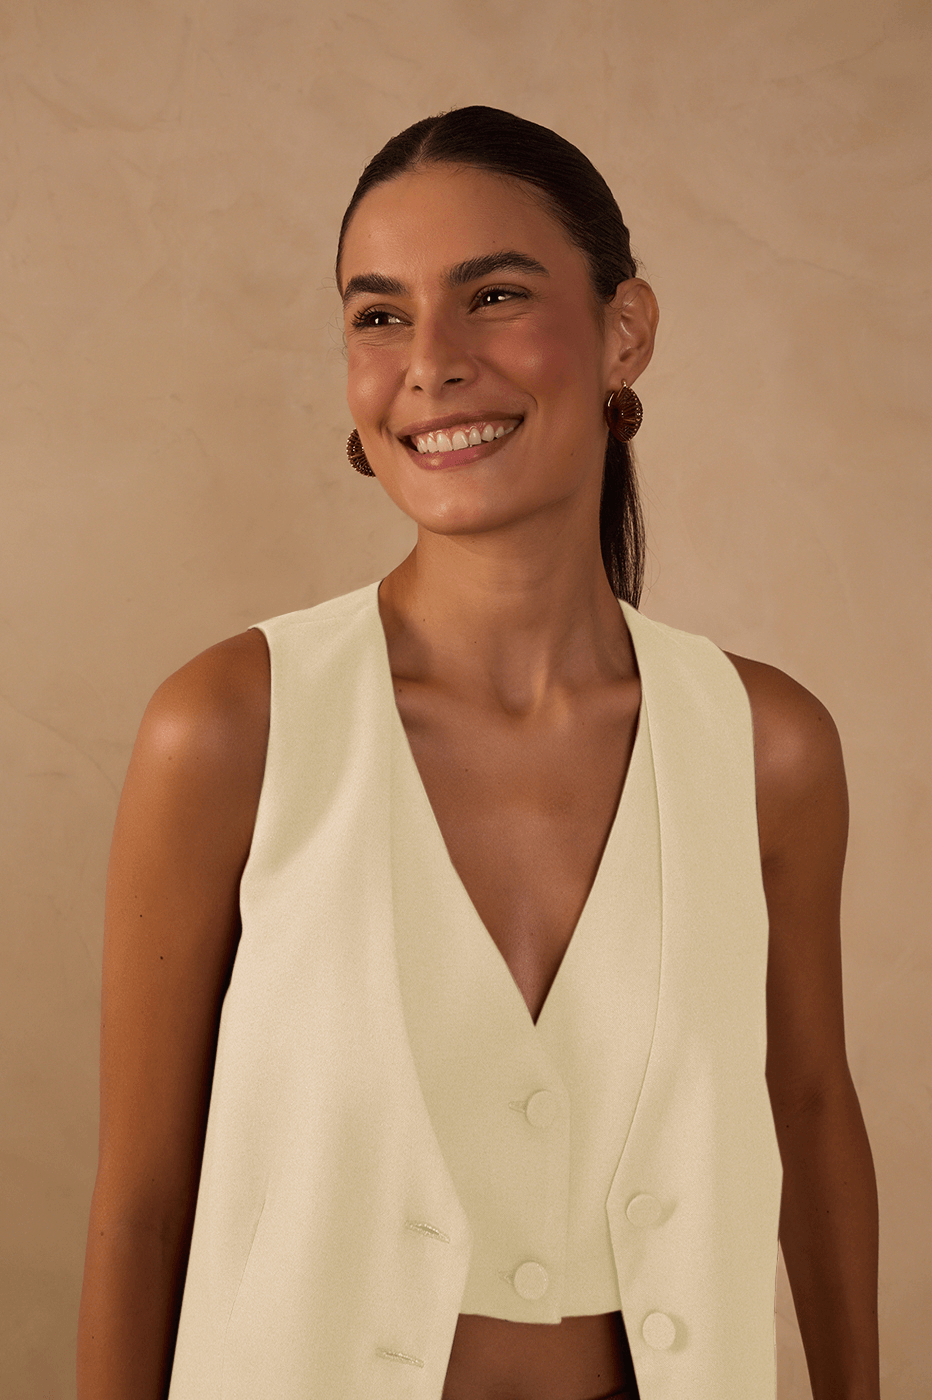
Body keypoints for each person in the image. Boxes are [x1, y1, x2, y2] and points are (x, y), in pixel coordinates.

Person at [76, 106, 881, 1400]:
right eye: (378, 315)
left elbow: (815, 1111)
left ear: (625, 330)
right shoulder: (228, 728)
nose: (431, 363)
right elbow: (140, 1204)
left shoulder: (765, 746)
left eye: (494, 296)